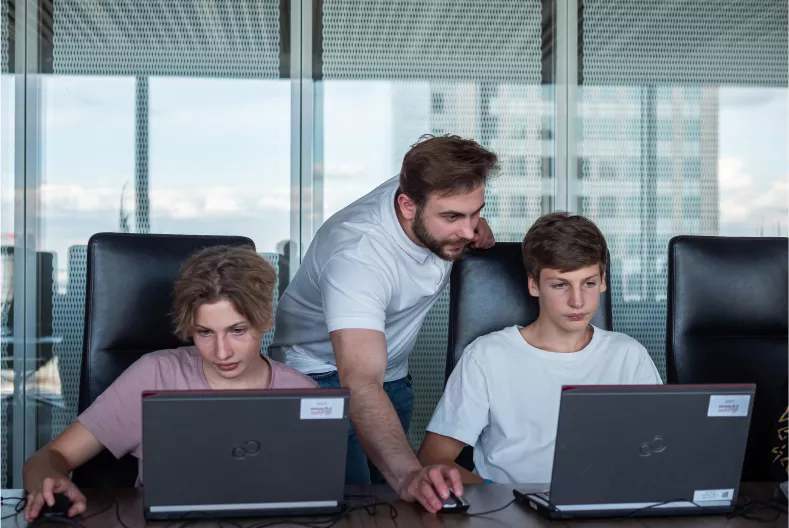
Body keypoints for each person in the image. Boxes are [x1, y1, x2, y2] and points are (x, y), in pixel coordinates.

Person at [270, 135, 499, 512]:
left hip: (391, 375)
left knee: (397, 507)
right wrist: (410, 473)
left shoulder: (428, 190)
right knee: (352, 506)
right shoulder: (358, 255)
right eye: (453, 217)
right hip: (321, 379)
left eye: (475, 212)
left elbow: (454, 212)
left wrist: (468, 224)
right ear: (406, 206)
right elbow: (358, 379)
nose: (469, 230)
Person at [22, 245, 317, 522]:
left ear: (266, 320)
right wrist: (50, 479)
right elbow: (49, 457)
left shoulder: (304, 394)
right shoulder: (155, 375)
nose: (222, 351)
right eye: (205, 333)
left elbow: (316, 493)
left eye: (237, 331)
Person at [417, 212, 663, 485]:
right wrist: (500, 497)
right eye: (560, 285)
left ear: (603, 281)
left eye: (589, 283)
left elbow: (662, 450)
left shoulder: (628, 355)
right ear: (534, 284)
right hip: (509, 511)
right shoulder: (488, 357)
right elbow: (432, 459)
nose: (578, 301)